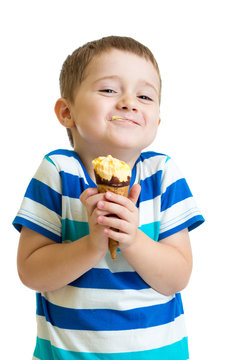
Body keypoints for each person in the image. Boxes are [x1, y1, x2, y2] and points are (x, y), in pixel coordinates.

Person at [13, 36, 204, 360]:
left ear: (156, 121)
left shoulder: (163, 174)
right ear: (67, 112)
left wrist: (133, 240)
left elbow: (176, 278)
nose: (129, 102)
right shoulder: (58, 171)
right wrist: (92, 245)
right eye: (109, 90)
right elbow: (31, 272)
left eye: (144, 95)